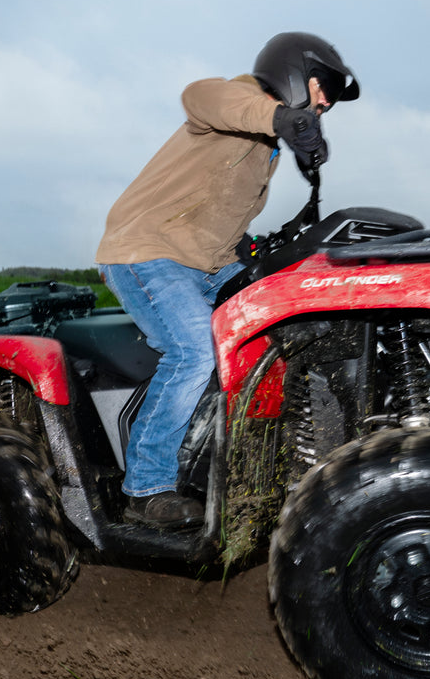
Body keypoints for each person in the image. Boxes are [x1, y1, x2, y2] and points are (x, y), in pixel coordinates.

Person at [95, 32, 360, 529]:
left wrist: (265, 249)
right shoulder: (229, 102)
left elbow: (217, 214)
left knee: (291, 314)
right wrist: (284, 118)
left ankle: (282, 463)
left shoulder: (267, 152)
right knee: (195, 348)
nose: (326, 103)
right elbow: (198, 95)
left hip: (209, 262)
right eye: (323, 88)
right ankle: (145, 488)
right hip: (148, 251)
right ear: (292, 74)